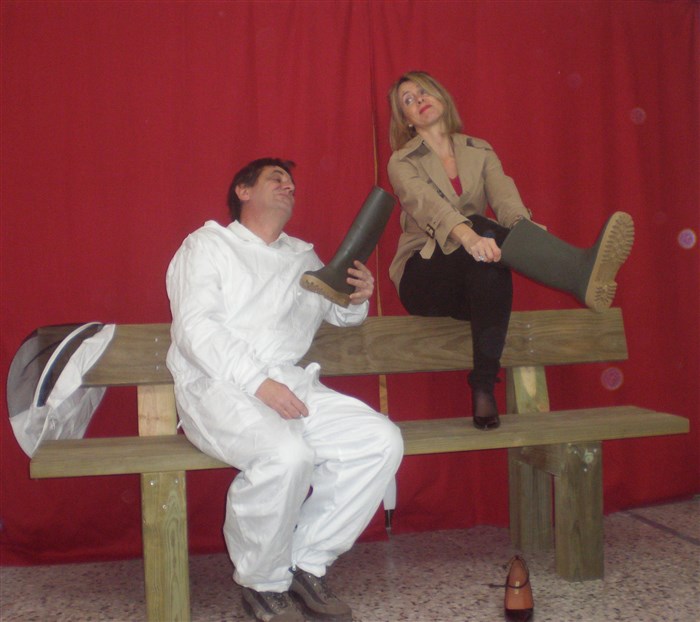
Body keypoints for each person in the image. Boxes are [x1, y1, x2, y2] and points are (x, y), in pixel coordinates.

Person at [166, 158, 404, 622]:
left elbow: (339, 313)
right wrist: (258, 383)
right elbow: (196, 329)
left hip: (287, 382)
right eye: (275, 178)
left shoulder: (303, 257)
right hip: (216, 385)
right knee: (286, 454)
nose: (287, 185)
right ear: (243, 191)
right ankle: (263, 582)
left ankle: (305, 562)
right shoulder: (207, 245)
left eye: (291, 181)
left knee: (380, 440)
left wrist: (357, 298)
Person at [387, 71, 634, 431]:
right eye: (408, 100)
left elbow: (507, 201)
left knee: (492, 262)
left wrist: (523, 235)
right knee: (481, 228)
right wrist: (471, 236)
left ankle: (483, 387)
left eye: (424, 91)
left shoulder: (480, 150)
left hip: (471, 285)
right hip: (424, 276)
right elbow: (428, 207)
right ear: (407, 120)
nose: (419, 99)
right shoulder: (402, 161)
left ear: (441, 96)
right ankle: (577, 271)